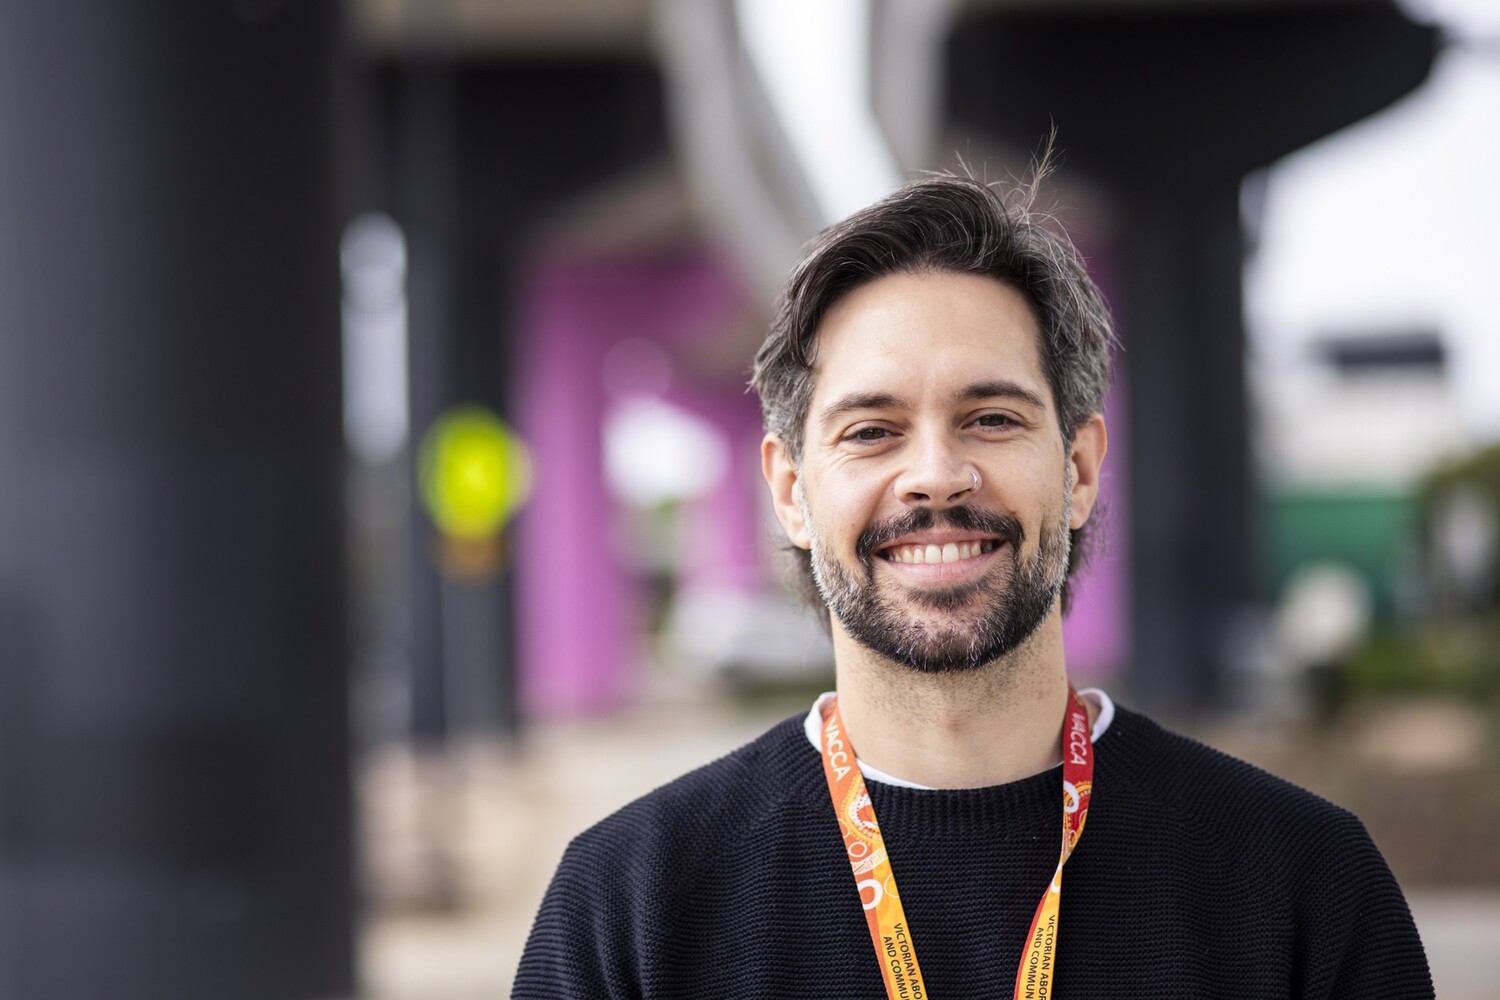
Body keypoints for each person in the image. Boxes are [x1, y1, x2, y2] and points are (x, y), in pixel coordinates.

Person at [513, 170, 1433, 999]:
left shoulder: (1303, 886)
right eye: (871, 430)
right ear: (792, 493)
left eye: (990, 417)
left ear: (1078, 469)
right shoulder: (628, 905)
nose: (936, 476)